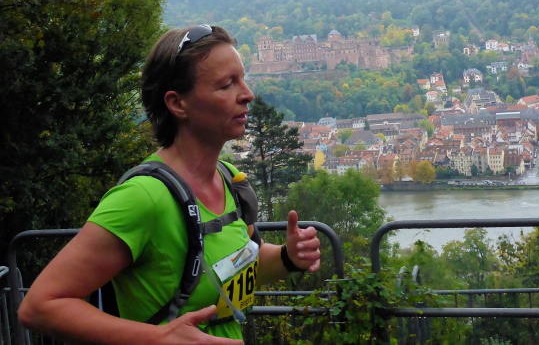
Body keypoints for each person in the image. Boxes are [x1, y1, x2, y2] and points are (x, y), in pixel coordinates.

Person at [19, 25, 321, 344]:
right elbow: (40, 306)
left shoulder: (230, 180)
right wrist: (158, 338)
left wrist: (289, 256)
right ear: (177, 104)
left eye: (242, 79)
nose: (247, 94)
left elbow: (239, 267)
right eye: (226, 84)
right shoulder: (144, 197)